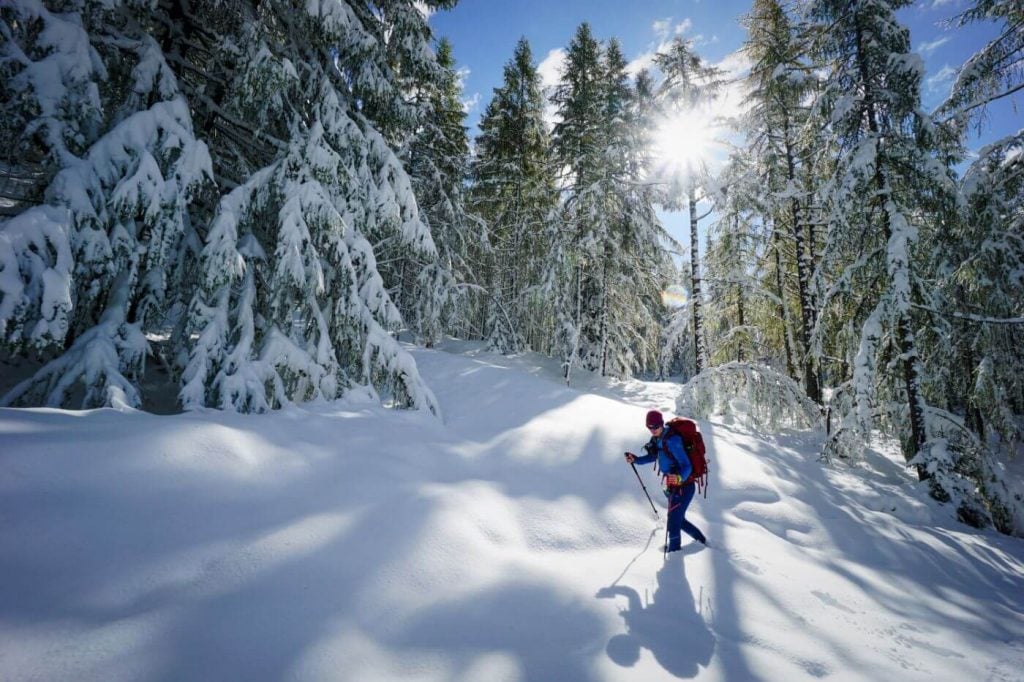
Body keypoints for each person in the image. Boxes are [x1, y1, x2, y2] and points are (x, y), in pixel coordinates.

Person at [625, 409, 707, 552]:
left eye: (655, 427)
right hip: (671, 486)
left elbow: (687, 465)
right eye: (649, 427)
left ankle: (674, 553)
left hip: (684, 487)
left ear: (661, 424)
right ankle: (702, 541)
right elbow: (653, 456)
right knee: (678, 520)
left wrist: (679, 478)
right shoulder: (658, 439)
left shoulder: (672, 440)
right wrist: (636, 460)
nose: (652, 430)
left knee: (674, 522)